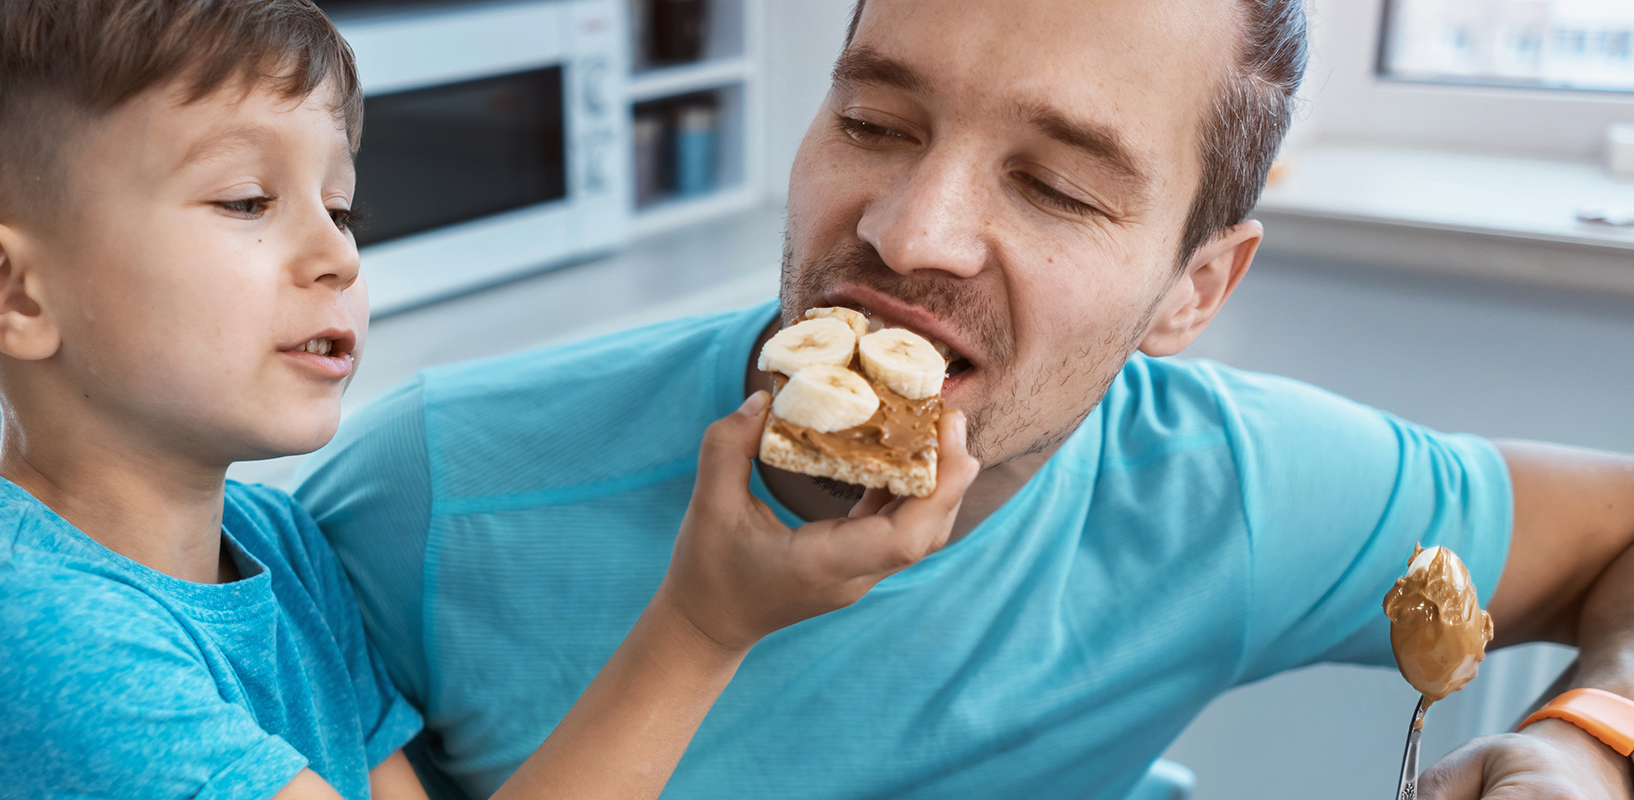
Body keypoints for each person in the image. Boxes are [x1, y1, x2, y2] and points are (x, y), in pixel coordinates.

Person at [297, 0, 1634, 797]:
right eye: (874, 124)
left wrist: (1586, 744)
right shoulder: (430, 494)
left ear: (1195, 292)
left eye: (1055, 186)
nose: (909, 229)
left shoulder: (1232, 494)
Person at [0, 1, 980, 798]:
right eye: (247, 199)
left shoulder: (274, 549)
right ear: (7, 288)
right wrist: (701, 620)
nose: (337, 256)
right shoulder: (13, 633)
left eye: (340, 207)